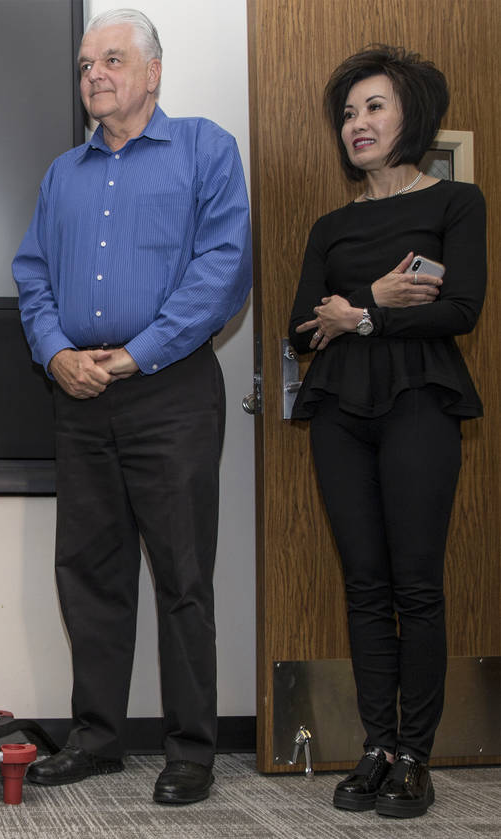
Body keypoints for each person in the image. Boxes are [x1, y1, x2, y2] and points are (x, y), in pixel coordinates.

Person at [12, 9, 251, 803]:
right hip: (79, 396)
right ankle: (99, 737)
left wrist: (137, 351)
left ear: (153, 72)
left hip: (171, 390)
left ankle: (191, 749)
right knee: (89, 571)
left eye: (112, 60)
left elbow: (222, 271)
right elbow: (32, 275)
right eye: (85, 65)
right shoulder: (61, 175)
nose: (94, 76)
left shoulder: (207, 151)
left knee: (183, 574)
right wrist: (55, 353)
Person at [288, 46, 486, 819]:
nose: (357, 124)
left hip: (418, 402)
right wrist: (373, 293)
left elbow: (460, 309)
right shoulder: (330, 223)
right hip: (339, 409)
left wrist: (363, 315)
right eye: (347, 113)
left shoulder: (455, 204)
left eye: (373, 107)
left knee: (417, 584)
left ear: (411, 114)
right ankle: (375, 745)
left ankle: (415, 755)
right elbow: (307, 326)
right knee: (365, 585)